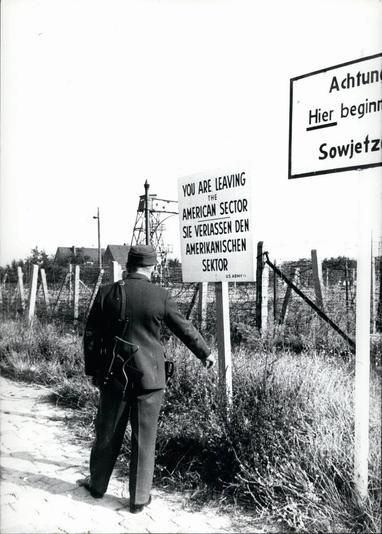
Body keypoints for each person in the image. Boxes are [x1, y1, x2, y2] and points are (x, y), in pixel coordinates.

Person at [78, 245, 215, 513]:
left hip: (113, 376)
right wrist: (204, 353)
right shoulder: (160, 296)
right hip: (151, 379)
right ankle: (139, 500)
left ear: (128, 265)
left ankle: (97, 487)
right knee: (145, 439)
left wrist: (92, 371)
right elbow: (183, 328)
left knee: (106, 433)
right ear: (152, 267)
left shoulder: (107, 293)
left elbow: (90, 336)